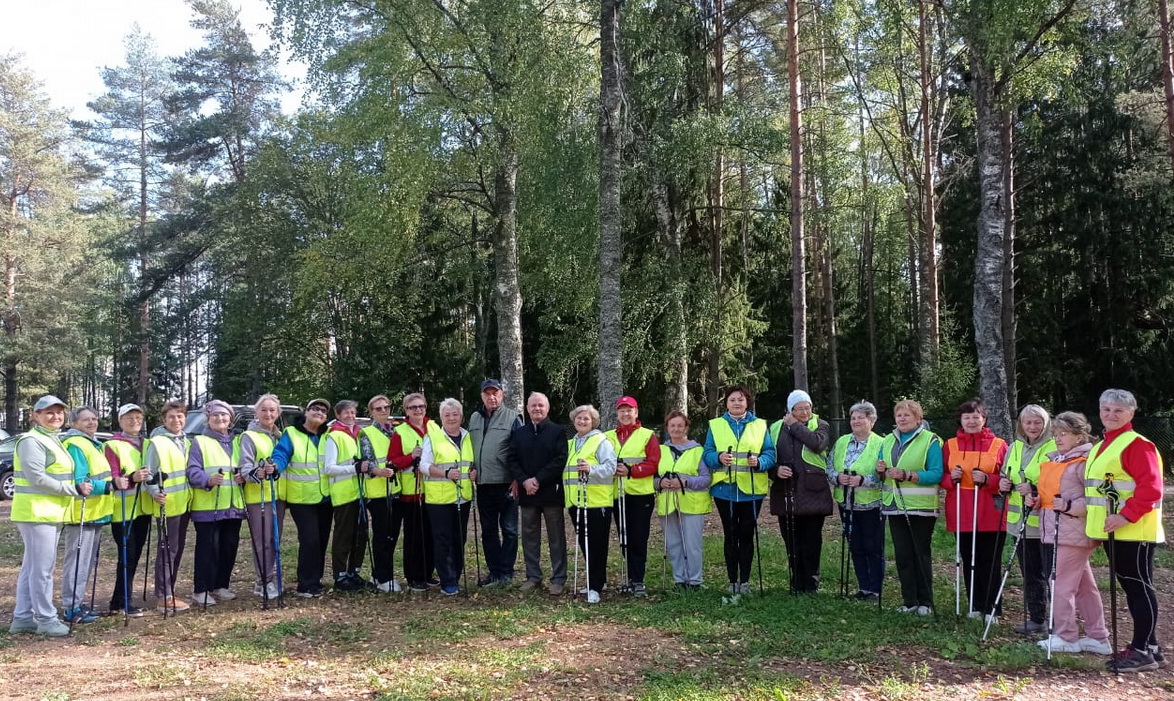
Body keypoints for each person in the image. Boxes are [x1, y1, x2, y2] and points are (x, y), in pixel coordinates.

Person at [1084, 389, 1166, 672]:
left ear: (1131, 413)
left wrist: (1126, 516)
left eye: (1118, 410)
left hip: (1134, 530)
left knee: (1138, 588)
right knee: (1133, 587)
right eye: (1106, 409)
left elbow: (1151, 488)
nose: (1110, 414)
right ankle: (1150, 645)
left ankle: (1142, 650)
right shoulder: (1103, 445)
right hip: (1113, 530)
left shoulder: (1136, 444)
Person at [8, 396, 92, 637]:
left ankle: (23, 617)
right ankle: (46, 619)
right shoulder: (32, 440)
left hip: (47, 512)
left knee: (32, 567)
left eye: (59, 412)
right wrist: (72, 490)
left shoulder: (51, 439)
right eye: (48, 413)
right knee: (42, 570)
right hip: (37, 513)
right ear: (35, 416)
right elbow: (37, 478)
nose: (55, 416)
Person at [1031, 411, 1110, 656]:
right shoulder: (1057, 459)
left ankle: (1066, 636)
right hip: (1057, 530)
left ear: (1079, 436)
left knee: (1061, 585)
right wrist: (1037, 500)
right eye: (1055, 433)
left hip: (1072, 533)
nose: (1058, 438)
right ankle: (1098, 638)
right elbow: (1052, 496)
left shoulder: (1085, 462)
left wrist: (1068, 507)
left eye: (1064, 433)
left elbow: (1096, 499)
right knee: (1085, 587)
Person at [941, 398, 1010, 623]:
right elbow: (940, 476)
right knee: (969, 559)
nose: (971, 421)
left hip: (990, 511)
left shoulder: (999, 445)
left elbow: (1008, 478)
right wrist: (951, 479)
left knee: (990, 560)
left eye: (976, 416)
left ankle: (992, 607)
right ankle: (975, 604)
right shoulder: (949, 445)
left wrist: (989, 479)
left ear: (984, 419)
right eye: (967, 417)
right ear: (960, 420)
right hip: (962, 511)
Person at [703, 385, 776, 594]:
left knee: (746, 534)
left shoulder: (760, 425)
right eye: (733, 399)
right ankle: (731, 581)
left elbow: (770, 453)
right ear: (726, 403)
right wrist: (718, 458)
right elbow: (707, 453)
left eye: (741, 399)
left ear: (747, 402)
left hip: (751, 490)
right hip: (724, 489)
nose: (737, 403)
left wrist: (760, 461)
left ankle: (745, 581)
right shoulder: (716, 425)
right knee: (730, 534)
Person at [878, 399, 942, 616]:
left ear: (918, 418)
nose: (902, 419)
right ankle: (909, 601)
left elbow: (936, 473)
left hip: (921, 507)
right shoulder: (887, 440)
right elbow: (880, 470)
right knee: (903, 555)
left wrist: (908, 475)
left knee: (920, 553)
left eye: (907, 415)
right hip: (894, 505)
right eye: (899, 415)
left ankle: (926, 601)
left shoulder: (930, 440)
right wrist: (880, 471)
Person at [769, 389, 831, 593]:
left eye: (808, 407)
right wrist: (776, 470)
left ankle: (811, 583)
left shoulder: (821, 424)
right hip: (786, 490)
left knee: (812, 540)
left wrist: (794, 425)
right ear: (790, 409)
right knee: (792, 540)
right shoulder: (776, 427)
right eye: (799, 408)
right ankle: (797, 581)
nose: (805, 412)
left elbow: (817, 444)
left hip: (813, 492)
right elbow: (768, 456)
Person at [60, 407, 118, 625]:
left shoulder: (94, 443)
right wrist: (109, 486)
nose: (92, 422)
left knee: (86, 561)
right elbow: (81, 480)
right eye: (86, 420)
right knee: (77, 561)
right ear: (75, 423)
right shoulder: (76, 444)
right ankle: (70, 607)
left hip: (95, 512)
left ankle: (78, 603)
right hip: (81, 512)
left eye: (94, 419)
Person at [186, 400, 246, 606]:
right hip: (208, 506)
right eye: (215, 416)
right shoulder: (200, 442)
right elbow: (192, 470)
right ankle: (201, 589)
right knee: (207, 548)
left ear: (230, 419)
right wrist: (207, 480)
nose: (220, 419)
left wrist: (243, 478)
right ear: (208, 419)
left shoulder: (237, 442)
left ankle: (221, 586)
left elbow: (243, 467)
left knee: (229, 547)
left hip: (233, 506)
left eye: (224, 416)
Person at [509, 392, 569, 595]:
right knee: (529, 537)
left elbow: (560, 460)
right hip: (528, 494)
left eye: (540, 405)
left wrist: (538, 479)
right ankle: (533, 576)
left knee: (556, 537)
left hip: (551, 492)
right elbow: (512, 460)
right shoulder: (519, 433)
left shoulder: (558, 431)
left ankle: (558, 578)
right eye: (533, 405)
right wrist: (525, 480)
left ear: (547, 408)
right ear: (527, 408)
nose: (537, 409)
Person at [826, 401, 885, 601]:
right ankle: (863, 586)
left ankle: (875, 589)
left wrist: (864, 480)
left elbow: (883, 473)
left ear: (872, 421)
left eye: (861, 417)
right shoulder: (842, 441)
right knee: (856, 545)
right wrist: (837, 477)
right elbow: (829, 466)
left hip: (871, 504)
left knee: (873, 546)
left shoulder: (881, 443)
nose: (856, 421)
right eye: (853, 418)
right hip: (847, 503)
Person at [272, 398, 331, 598]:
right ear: (306, 412)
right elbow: (281, 455)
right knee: (310, 540)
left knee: (322, 540)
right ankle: (305, 584)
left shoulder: (328, 435)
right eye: (315, 408)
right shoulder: (291, 433)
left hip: (325, 497)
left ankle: (316, 580)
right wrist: (275, 468)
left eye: (323, 411)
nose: (319, 412)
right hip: (301, 498)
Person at [1005, 404, 1055, 635]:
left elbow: (1058, 481)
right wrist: (1003, 484)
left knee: (1051, 574)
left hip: (1046, 522)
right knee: (1030, 573)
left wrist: (1034, 487)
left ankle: (1058, 620)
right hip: (1020, 522)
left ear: (1045, 424)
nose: (1032, 427)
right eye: (1028, 422)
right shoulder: (1014, 447)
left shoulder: (1053, 446)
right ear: (1021, 424)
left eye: (1037, 422)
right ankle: (1037, 617)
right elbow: (1007, 474)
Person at [421, 398, 477, 595]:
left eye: (455, 414)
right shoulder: (433, 437)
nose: (452, 418)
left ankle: (456, 575)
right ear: (441, 417)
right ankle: (447, 580)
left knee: (459, 539)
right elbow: (423, 466)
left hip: (462, 496)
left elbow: (470, 463)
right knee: (443, 539)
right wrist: (445, 474)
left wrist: (473, 472)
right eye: (447, 415)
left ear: (461, 416)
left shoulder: (467, 436)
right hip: (439, 499)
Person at [469, 379, 522, 588]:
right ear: (482, 396)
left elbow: (520, 450)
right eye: (487, 393)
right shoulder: (474, 418)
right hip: (483, 484)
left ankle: (507, 572)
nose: (491, 397)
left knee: (509, 530)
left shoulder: (513, 418)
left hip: (507, 483)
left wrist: (518, 478)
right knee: (488, 531)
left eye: (495, 393)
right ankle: (494, 572)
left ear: (502, 395)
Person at [606, 395, 660, 596]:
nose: (625, 413)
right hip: (617, 494)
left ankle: (638, 580)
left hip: (640, 495)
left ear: (636, 413)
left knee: (638, 538)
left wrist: (631, 470)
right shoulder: (608, 436)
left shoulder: (648, 435)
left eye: (629, 410)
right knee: (624, 537)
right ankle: (628, 576)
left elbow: (653, 463)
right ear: (617, 413)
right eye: (622, 410)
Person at [144, 400, 193, 613]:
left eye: (180, 416)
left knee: (177, 548)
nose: (176, 420)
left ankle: (169, 590)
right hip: (167, 503)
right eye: (172, 417)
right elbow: (149, 473)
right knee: (167, 550)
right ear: (164, 420)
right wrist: (155, 493)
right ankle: (163, 596)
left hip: (183, 502)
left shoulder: (186, 441)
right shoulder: (157, 442)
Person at [565, 404, 616, 604]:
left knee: (597, 544)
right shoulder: (571, 443)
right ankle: (597, 580)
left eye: (586, 419)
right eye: (579, 418)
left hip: (597, 501)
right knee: (585, 545)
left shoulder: (601, 441)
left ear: (593, 421)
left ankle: (595, 586)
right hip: (576, 502)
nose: (582, 421)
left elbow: (611, 466)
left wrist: (591, 468)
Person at [104, 403, 151, 617]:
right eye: (129, 418)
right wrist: (132, 478)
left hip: (143, 508)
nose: (134, 421)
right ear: (120, 420)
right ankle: (125, 602)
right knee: (127, 556)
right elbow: (112, 476)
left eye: (138, 418)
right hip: (122, 510)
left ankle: (117, 601)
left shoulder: (147, 444)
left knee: (134, 555)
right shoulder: (113, 445)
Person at [236, 394, 284, 600]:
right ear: (256, 413)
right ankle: (262, 581)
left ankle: (270, 578)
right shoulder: (249, 436)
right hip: (258, 497)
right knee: (263, 540)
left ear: (278, 413)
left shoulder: (280, 436)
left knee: (274, 540)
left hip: (279, 496)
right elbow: (245, 467)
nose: (268, 413)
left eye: (272, 410)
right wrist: (259, 472)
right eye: (264, 410)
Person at [388, 392, 438, 591]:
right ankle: (414, 576)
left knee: (430, 534)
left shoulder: (434, 426)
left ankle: (428, 572)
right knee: (414, 537)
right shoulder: (400, 432)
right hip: (410, 492)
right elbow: (392, 461)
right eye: (413, 407)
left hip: (433, 490)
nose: (417, 410)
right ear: (406, 411)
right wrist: (411, 457)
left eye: (421, 406)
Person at [655, 410, 711, 588]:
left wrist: (685, 482)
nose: (676, 429)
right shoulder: (660, 450)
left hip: (692, 503)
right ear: (667, 428)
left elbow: (706, 478)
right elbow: (653, 478)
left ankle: (695, 580)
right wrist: (661, 482)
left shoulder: (698, 450)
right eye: (672, 425)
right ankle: (679, 579)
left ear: (686, 427)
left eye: (680, 425)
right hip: (668, 502)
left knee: (692, 544)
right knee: (673, 543)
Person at [321, 399, 372, 592]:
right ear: (338, 415)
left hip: (359, 492)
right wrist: (355, 468)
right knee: (344, 536)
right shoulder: (334, 436)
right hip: (343, 494)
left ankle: (354, 572)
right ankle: (340, 576)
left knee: (360, 535)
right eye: (346, 413)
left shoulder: (357, 434)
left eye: (353, 412)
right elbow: (329, 468)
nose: (350, 416)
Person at [359, 394, 402, 593]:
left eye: (386, 407)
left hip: (395, 490)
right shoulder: (367, 433)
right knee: (382, 536)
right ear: (371, 412)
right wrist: (378, 471)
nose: (384, 411)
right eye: (379, 409)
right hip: (377, 492)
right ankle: (382, 577)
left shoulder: (395, 431)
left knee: (392, 535)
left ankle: (380, 573)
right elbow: (366, 463)